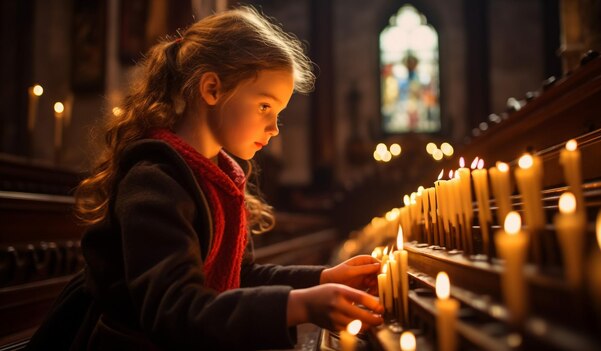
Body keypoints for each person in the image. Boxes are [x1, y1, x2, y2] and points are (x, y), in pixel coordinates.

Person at [26, 6, 383, 351]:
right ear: (211, 89)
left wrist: (323, 279)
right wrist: (301, 306)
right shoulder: (155, 180)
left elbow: (238, 277)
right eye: (264, 106)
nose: (274, 128)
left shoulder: (221, 176)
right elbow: (174, 311)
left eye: (278, 112)